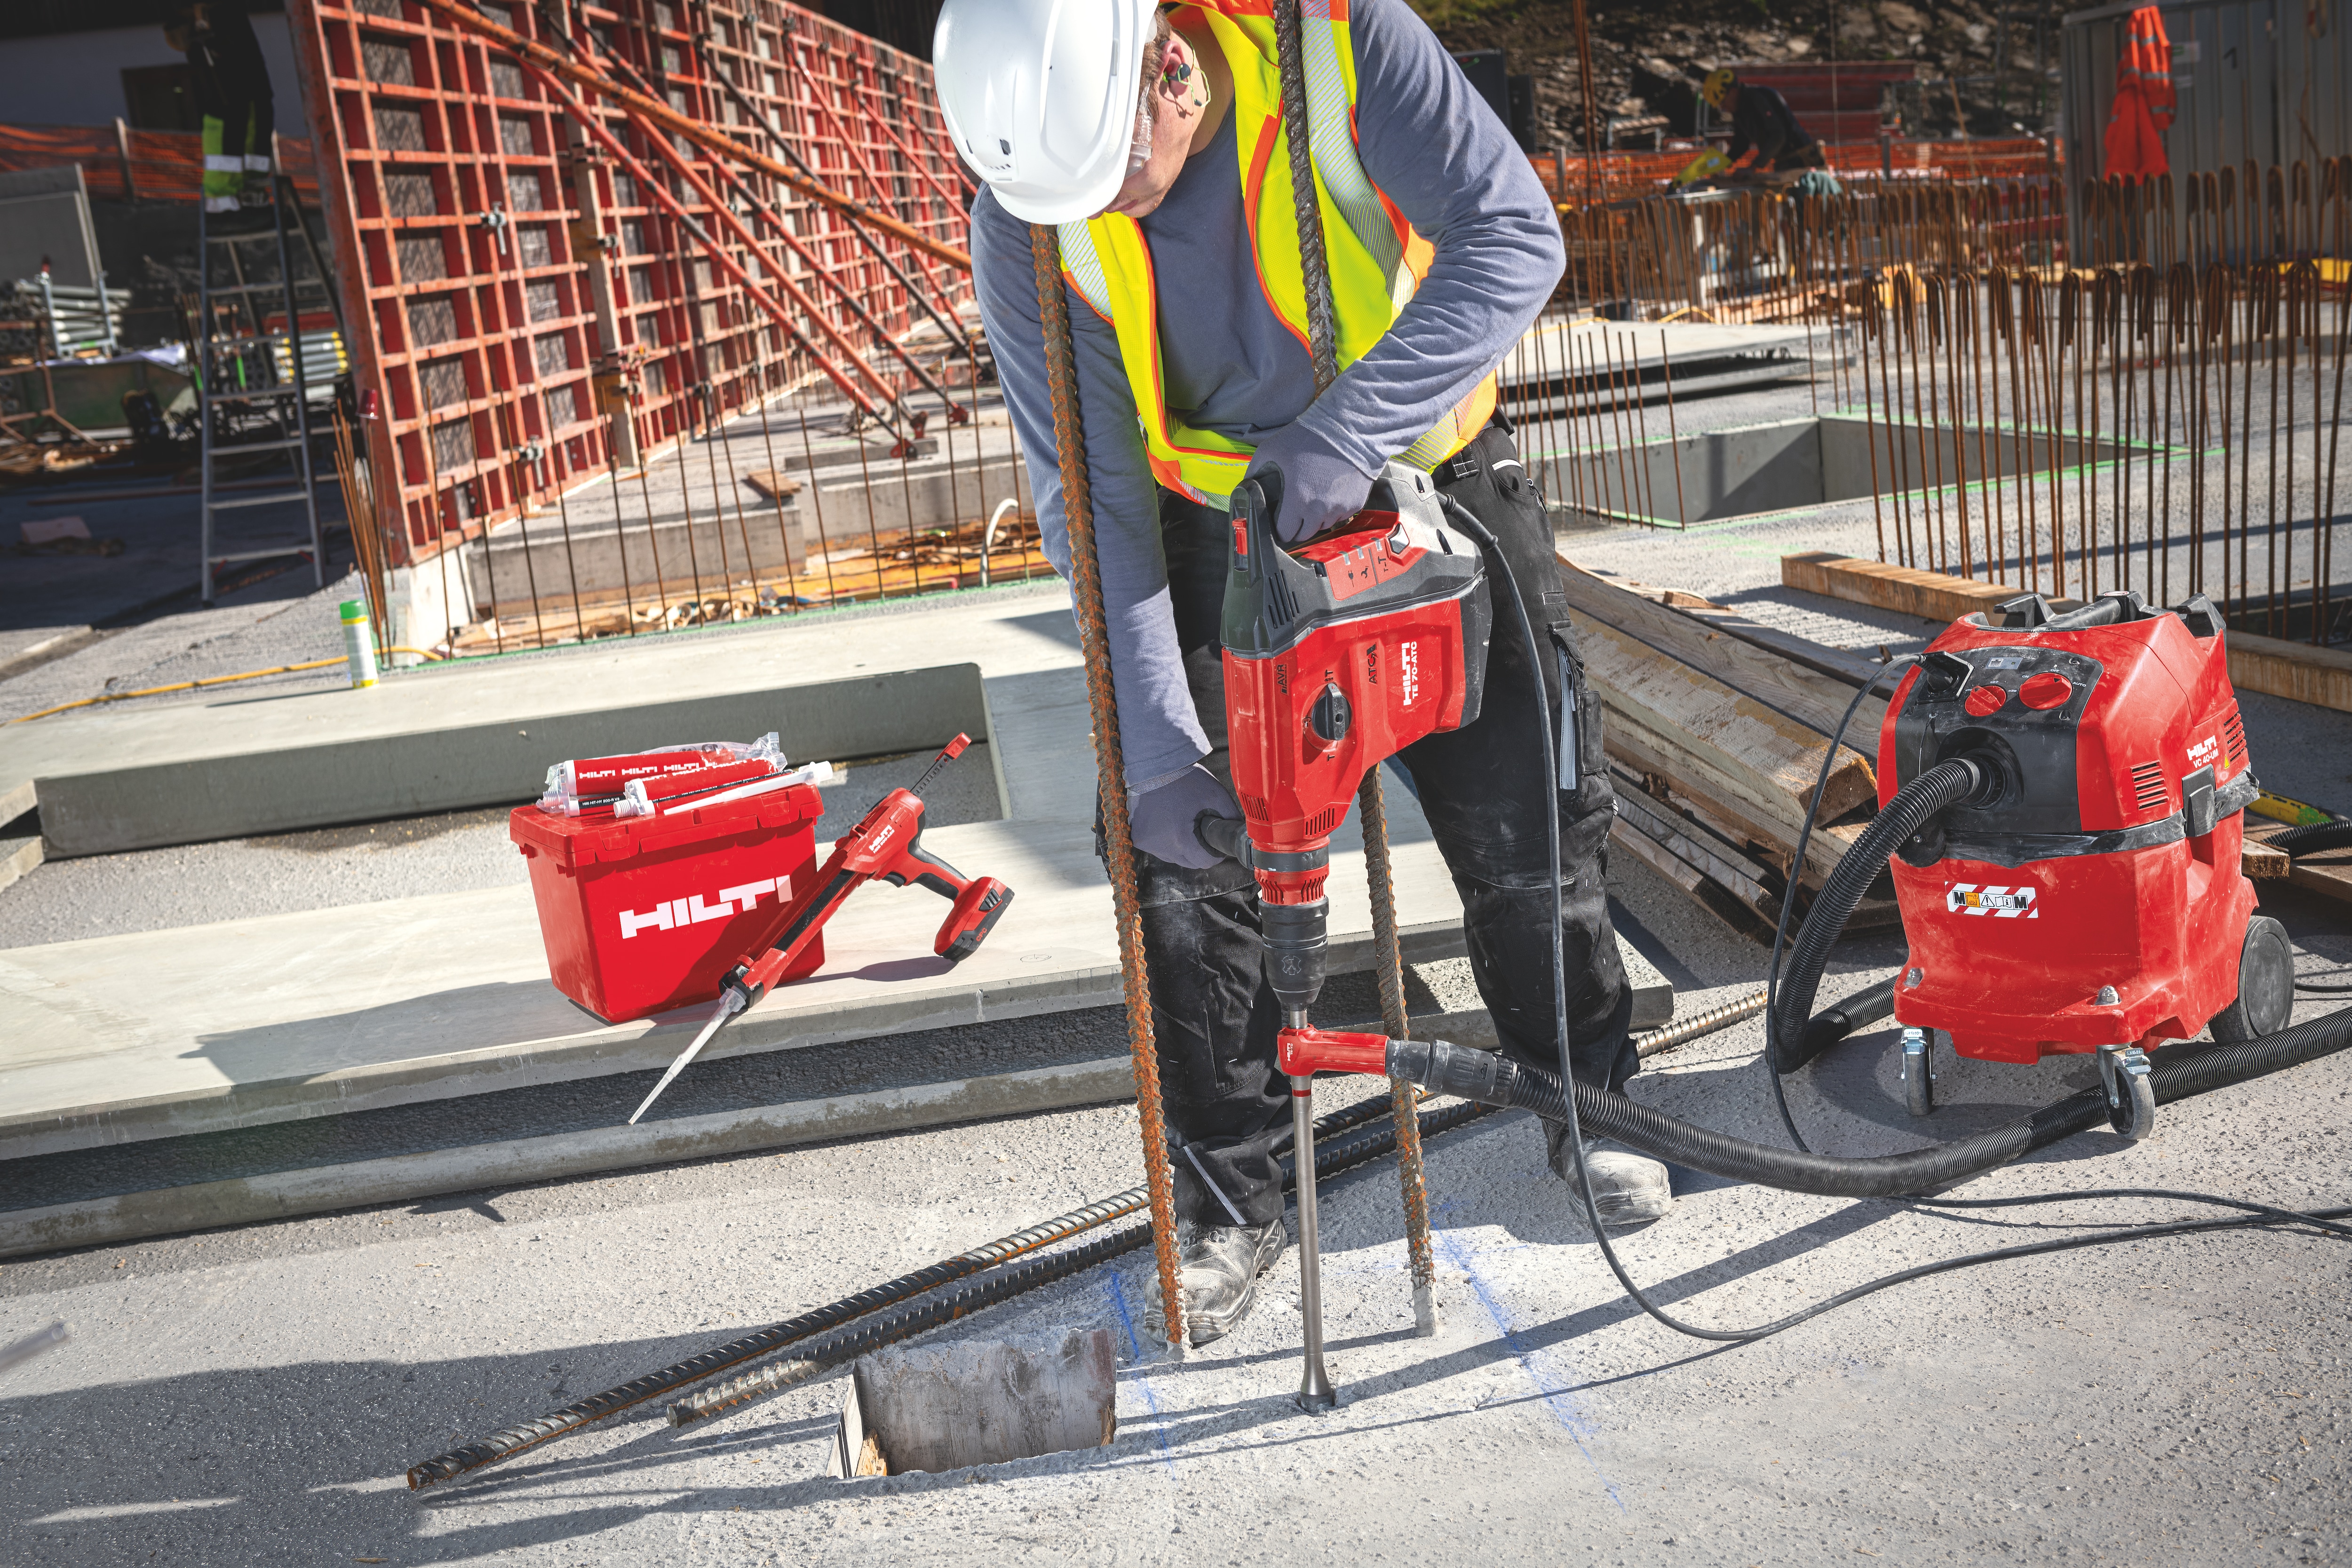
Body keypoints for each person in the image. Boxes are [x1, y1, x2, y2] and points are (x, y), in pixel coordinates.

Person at [936, 0, 1673, 1346]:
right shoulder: (1025, 205)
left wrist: (1349, 435)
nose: (1099, 205)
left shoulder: (1333, 40)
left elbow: (1516, 239)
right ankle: (1234, 1199)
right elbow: (1089, 496)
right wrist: (1158, 738)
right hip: (1211, 523)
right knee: (1178, 858)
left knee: (1529, 809)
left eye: (1119, 170)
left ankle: (1587, 1092)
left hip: (1422, 474)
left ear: (1171, 67)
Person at [163, 0, 277, 214]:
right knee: (228, 108)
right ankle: (220, 197)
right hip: (207, 23)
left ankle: (252, 188)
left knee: (259, 104)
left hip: (230, 19)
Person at [1700, 68, 1828, 176]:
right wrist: (1721, 164)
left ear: (1733, 92)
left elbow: (1779, 136)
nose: (1723, 108)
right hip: (1783, 163)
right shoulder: (1739, 111)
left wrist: (1753, 167)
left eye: (1722, 102)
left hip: (1802, 160)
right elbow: (1742, 143)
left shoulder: (1758, 99)